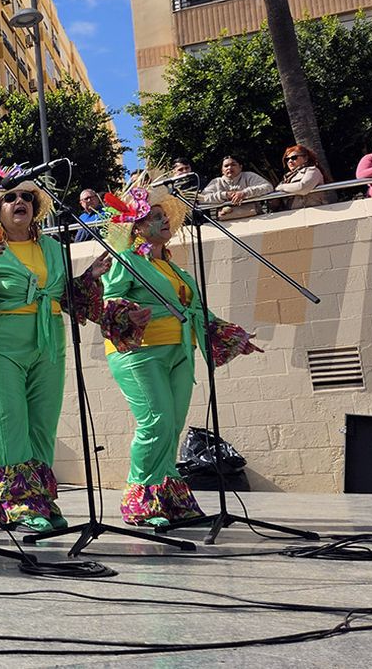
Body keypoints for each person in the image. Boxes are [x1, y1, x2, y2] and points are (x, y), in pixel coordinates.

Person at [0, 160, 109, 532]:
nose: (20, 201)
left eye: (27, 197)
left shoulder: (53, 248)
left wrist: (88, 278)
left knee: (41, 422)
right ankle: (16, 500)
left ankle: (38, 495)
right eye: (11, 197)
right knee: (8, 420)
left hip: (48, 339)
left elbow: (65, 297)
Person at [97, 183, 260, 527]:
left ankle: (165, 496)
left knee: (171, 426)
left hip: (180, 351)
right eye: (154, 217)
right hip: (140, 352)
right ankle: (140, 497)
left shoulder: (178, 271)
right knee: (155, 421)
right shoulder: (126, 261)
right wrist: (130, 313)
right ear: (136, 228)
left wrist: (234, 339)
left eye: (164, 216)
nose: (164, 221)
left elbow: (201, 312)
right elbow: (109, 301)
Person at [197, 156, 273, 219]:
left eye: (233, 165)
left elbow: (268, 187)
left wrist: (244, 193)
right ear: (222, 170)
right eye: (226, 166)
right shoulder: (216, 182)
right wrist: (225, 195)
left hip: (256, 218)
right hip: (226, 223)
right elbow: (202, 198)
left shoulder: (249, 176)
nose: (229, 168)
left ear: (240, 167)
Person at [275, 145, 327, 210]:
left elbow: (303, 188)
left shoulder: (312, 170)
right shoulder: (287, 177)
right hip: (293, 213)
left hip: (313, 212)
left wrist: (281, 187)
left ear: (306, 158)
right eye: (287, 159)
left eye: (294, 157)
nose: (290, 161)